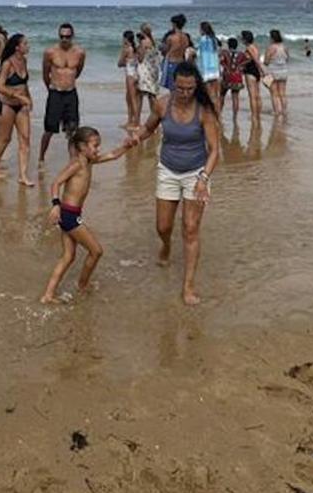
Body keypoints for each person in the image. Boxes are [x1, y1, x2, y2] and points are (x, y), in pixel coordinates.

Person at [125, 62, 220, 306]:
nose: (185, 93)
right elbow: (148, 128)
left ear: (195, 86)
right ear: (173, 84)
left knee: (190, 228)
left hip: (196, 173)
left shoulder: (204, 111)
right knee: (163, 226)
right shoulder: (162, 104)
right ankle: (166, 246)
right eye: (180, 88)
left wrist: (203, 179)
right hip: (167, 169)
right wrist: (136, 138)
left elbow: (214, 150)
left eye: (189, 88)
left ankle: (188, 286)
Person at [41, 127, 131, 304]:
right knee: (96, 251)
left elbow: (113, 155)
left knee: (68, 256)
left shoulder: (89, 161)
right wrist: (55, 205)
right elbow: (56, 183)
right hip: (68, 215)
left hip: (71, 214)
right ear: (82, 146)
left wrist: (127, 146)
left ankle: (48, 295)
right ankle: (82, 285)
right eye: (95, 146)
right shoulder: (76, 164)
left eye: (98, 146)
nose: (98, 150)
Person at [0, 33, 34, 186]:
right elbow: (0, 86)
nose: (28, 46)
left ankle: (23, 175)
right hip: (8, 105)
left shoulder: (24, 61)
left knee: (25, 139)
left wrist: (29, 98)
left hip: (22, 106)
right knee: (4, 139)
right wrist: (19, 97)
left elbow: (24, 83)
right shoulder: (7, 63)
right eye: (25, 44)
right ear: (17, 47)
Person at [39, 23, 86, 165]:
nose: (64, 39)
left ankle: (73, 160)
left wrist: (68, 81)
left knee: (72, 129)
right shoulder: (50, 52)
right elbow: (45, 74)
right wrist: (52, 88)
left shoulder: (80, 52)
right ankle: (41, 158)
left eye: (67, 36)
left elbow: (78, 71)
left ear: (72, 36)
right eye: (61, 36)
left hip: (71, 93)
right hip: (55, 94)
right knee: (49, 129)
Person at [135, 28, 161, 115]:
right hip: (153, 70)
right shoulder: (153, 42)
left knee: (140, 95)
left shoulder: (143, 42)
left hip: (145, 70)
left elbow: (141, 58)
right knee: (152, 95)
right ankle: (156, 116)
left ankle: (136, 120)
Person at [264, 29, 289, 117]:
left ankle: (276, 111)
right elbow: (287, 59)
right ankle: (284, 111)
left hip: (273, 72)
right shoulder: (284, 47)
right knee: (282, 93)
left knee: (274, 93)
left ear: (272, 38)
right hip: (284, 71)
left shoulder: (271, 47)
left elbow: (266, 62)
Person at [160, 14, 189, 89]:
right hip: (181, 62)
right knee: (180, 87)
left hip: (171, 63)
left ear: (174, 24)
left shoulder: (171, 38)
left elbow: (165, 50)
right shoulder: (186, 37)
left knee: (172, 89)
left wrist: (161, 47)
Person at [197, 22, 221, 105]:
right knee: (216, 94)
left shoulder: (203, 39)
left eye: (200, 29)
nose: (199, 30)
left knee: (209, 94)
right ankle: (218, 114)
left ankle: (211, 113)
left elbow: (199, 54)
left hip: (206, 69)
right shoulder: (214, 39)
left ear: (203, 30)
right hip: (215, 68)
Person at [240, 31, 264, 118]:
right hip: (256, 71)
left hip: (250, 71)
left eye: (242, 37)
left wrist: (262, 70)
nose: (241, 39)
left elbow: (255, 60)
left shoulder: (249, 48)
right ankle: (258, 113)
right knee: (257, 94)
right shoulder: (255, 47)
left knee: (252, 96)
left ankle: (254, 115)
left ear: (245, 39)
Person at [119, 30, 140, 127]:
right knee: (130, 98)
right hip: (136, 74)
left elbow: (120, 63)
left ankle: (136, 122)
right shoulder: (135, 49)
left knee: (132, 99)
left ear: (126, 39)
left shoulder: (127, 49)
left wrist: (124, 60)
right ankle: (131, 121)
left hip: (130, 75)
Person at [220, 37, 244, 119]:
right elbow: (247, 60)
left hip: (227, 76)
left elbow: (221, 61)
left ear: (228, 45)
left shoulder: (225, 53)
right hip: (237, 76)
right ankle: (235, 116)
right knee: (235, 96)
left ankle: (219, 113)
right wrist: (240, 67)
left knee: (222, 95)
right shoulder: (241, 54)